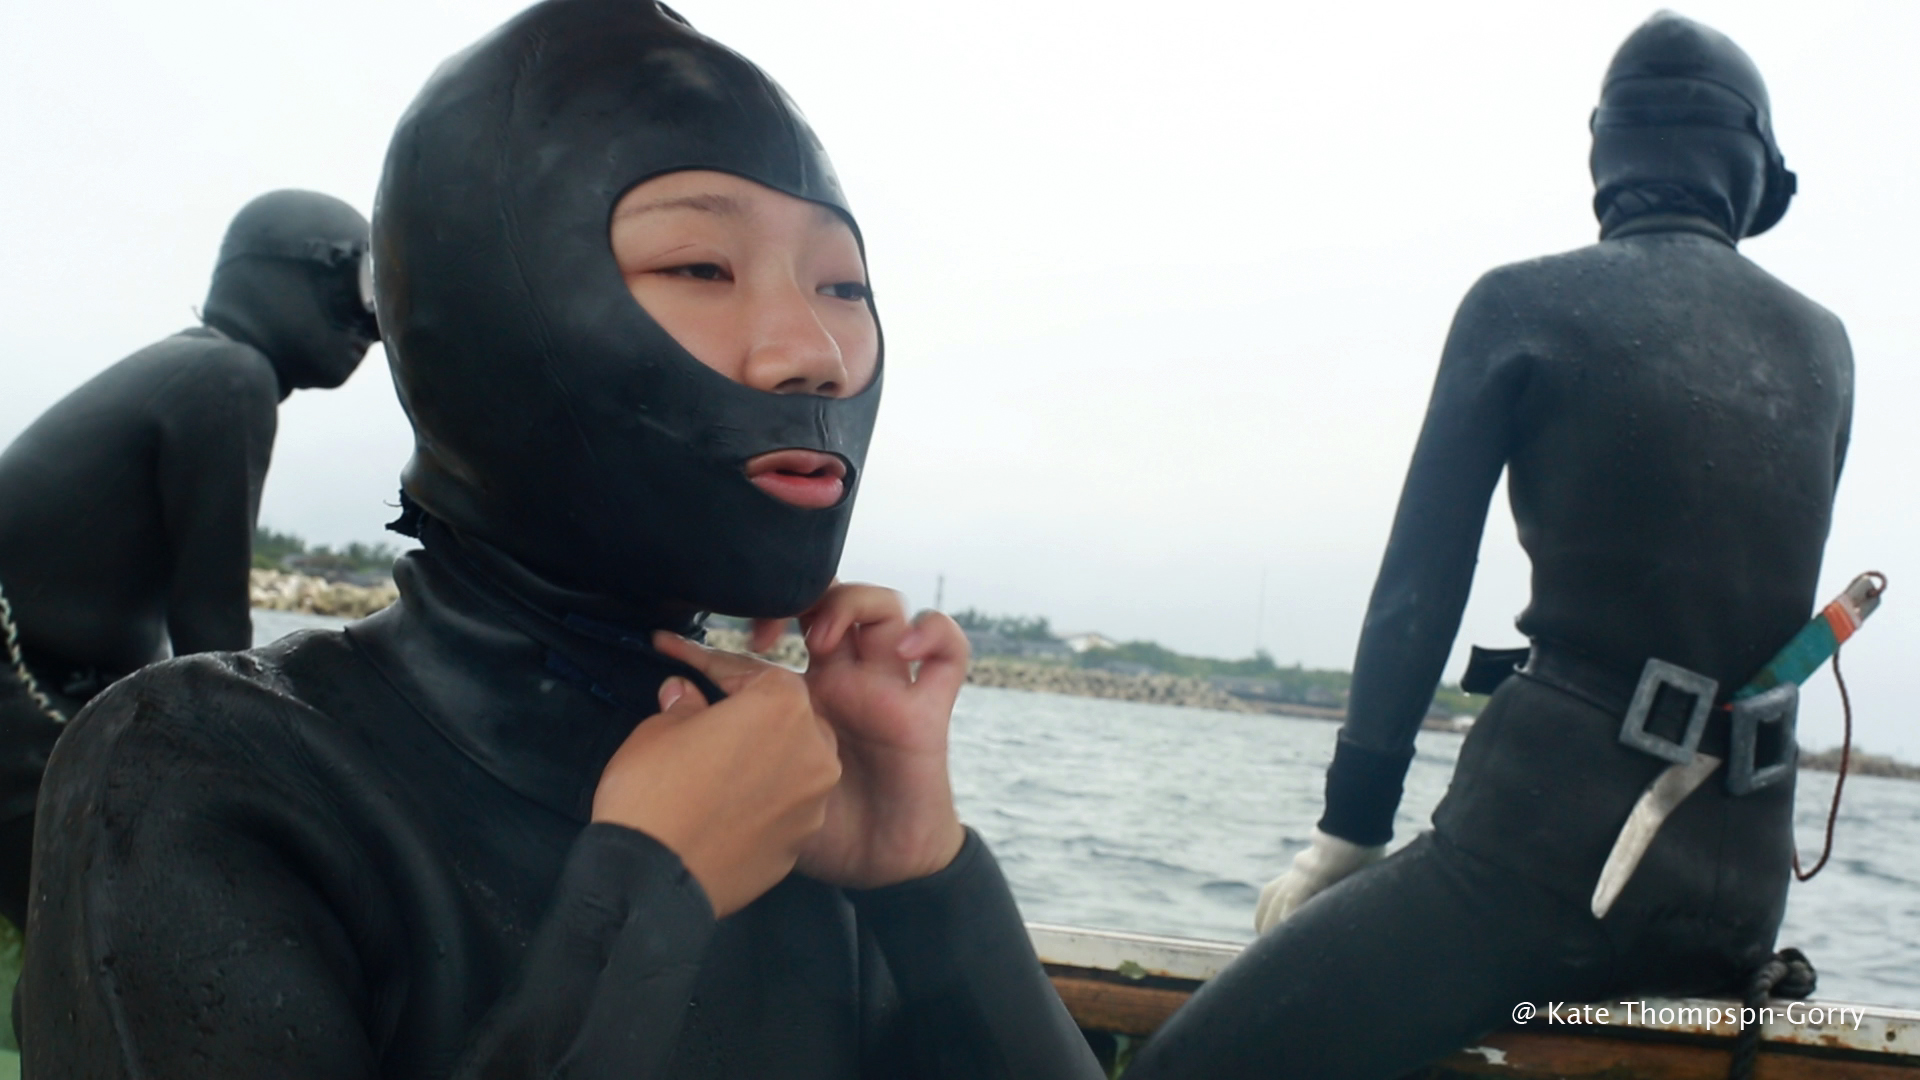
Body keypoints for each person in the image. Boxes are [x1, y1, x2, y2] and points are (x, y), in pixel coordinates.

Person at [20, 3, 1103, 1077]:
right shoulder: (195, 771)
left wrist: (923, 877)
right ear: (479, 311)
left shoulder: (793, 797)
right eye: (701, 268)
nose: (813, 352)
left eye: (843, 286)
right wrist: (645, 899)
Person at [1125, 13, 1852, 1079]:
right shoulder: (1827, 347)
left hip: (1537, 868)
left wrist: (1350, 833)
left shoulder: (1523, 303)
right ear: (1747, 165)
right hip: (1739, 892)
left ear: (1608, 153)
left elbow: (1418, 591)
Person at [0, 189, 378, 929]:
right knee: (106, 935)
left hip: (48, 685)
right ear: (283, 273)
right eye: (365, 285)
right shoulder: (229, 378)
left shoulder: (198, 365)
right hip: (18, 690)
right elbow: (211, 618)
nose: (373, 324)